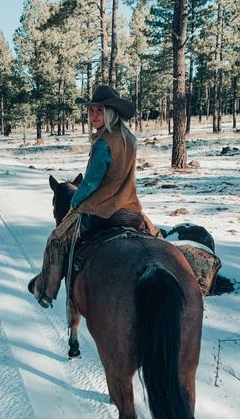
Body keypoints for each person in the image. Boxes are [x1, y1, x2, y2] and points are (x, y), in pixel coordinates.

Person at [28, 84, 160, 308]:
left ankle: (45, 291)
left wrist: (75, 202)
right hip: (131, 211)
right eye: (91, 111)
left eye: (100, 110)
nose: (94, 116)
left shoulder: (103, 141)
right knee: (157, 237)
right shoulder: (129, 138)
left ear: (110, 112)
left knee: (57, 239)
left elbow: (90, 181)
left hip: (102, 211)